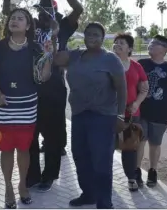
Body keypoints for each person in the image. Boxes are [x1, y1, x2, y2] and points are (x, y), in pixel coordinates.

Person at [2, 0, 83, 192]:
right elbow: (9, 13)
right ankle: (33, 175)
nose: (44, 12)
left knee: (53, 135)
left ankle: (49, 175)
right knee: (30, 133)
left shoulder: (63, 27)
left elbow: (78, 10)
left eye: (48, 9)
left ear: (55, 11)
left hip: (54, 88)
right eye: (41, 9)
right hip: (30, 87)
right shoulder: (31, 27)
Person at [0, 8, 54, 209]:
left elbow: (44, 77)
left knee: (24, 148)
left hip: (26, 106)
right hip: (2, 106)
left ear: (28, 25)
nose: (15, 21)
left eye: (20, 18)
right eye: (12, 18)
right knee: (6, 149)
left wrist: (49, 56)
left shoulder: (36, 48)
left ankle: (22, 185)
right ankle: (8, 187)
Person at [54, 22, 127, 209]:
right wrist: (57, 33)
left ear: (103, 38)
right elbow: (56, 58)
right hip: (79, 114)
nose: (91, 38)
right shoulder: (76, 56)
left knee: (101, 161)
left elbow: (121, 88)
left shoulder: (110, 60)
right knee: (80, 156)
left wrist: (120, 115)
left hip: (103, 116)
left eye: (96, 35)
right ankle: (88, 194)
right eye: (88, 34)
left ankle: (104, 202)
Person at [136, 35, 167, 188]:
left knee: (155, 144)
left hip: (161, 113)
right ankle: (136, 171)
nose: (150, 44)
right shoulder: (141, 64)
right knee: (139, 141)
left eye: (154, 43)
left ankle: (153, 170)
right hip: (140, 111)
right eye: (150, 42)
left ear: (164, 49)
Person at [112, 33, 149, 191]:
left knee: (130, 147)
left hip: (131, 113)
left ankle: (131, 178)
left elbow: (144, 88)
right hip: (109, 113)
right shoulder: (107, 63)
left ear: (130, 49)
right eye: (116, 42)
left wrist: (137, 103)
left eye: (122, 43)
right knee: (106, 146)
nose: (117, 45)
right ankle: (104, 177)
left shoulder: (136, 66)